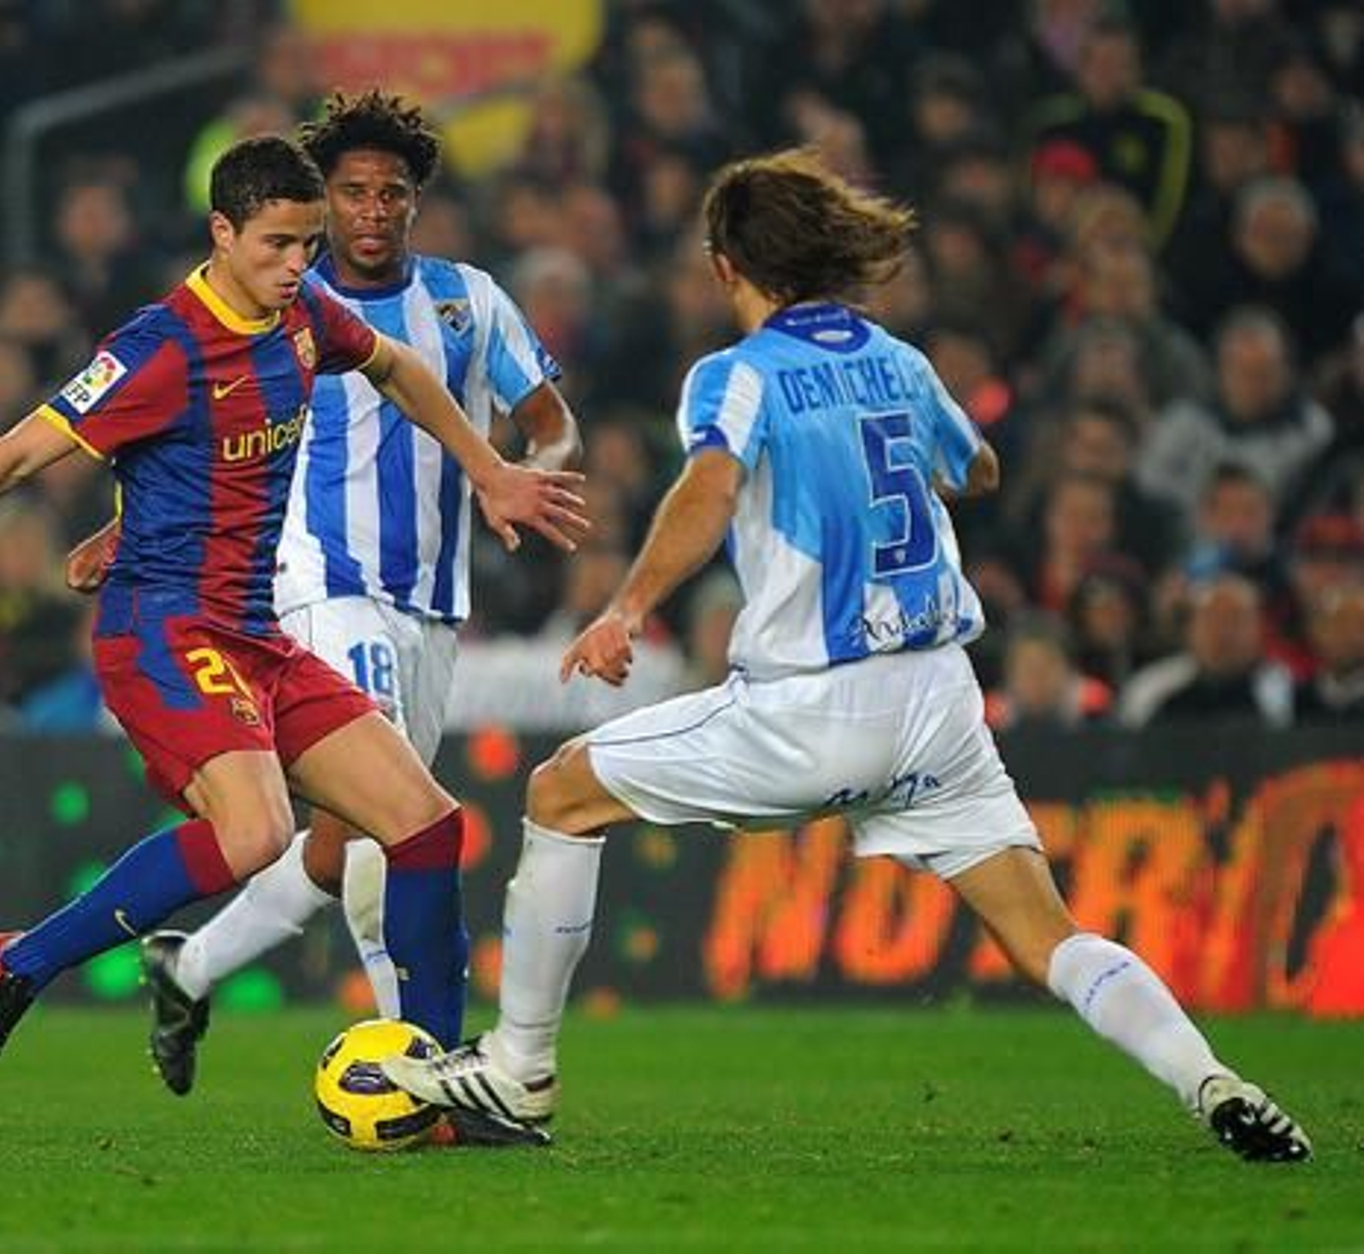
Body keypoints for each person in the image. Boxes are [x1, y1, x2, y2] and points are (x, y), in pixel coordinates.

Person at [383, 149, 1313, 1164]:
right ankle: (1210, 1079)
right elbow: (982, 464)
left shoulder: (736, 375)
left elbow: (707, 484)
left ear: (727, 263)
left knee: (562, 791)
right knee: (1048, 935)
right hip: (940, 704)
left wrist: (627, 606)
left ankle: (518, 1072)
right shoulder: (899, 361)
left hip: (814, 707)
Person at [0, 136, 588, 1094]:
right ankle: (16, 963)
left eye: (307, 244)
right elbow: (9, 455)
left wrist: (488, 468)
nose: (298, 266)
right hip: (162, 631)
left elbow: (400, 370)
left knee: (424, 824)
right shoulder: (157, 347)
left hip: (252, 632)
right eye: (277, 245)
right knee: (255, 833)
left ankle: (437, 1076)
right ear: (221, 232)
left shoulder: (304, 315)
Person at [66, 90, 582, 1099]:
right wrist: (131, 524)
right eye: (353, 191)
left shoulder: (467, 301)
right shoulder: (273, 306)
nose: (373, 209)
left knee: (356, 831)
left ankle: (191, 965)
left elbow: (548, 420)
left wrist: (521, 470)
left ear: (416, 203)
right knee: (395, 828)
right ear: (321, 200)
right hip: (314, 583)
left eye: (393, 192)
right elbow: (220, 456)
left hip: (433, 597)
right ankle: (417, 1061)